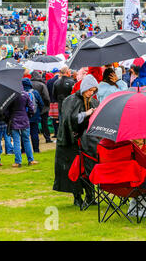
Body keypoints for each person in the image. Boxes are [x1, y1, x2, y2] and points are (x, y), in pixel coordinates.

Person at [53, 74, 100, 207]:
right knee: (74, 169)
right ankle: (77, 197)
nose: (91, 93)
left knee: (89, 168)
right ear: (84, 87)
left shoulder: (93, 101)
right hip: (70, 141)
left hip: (87, 142)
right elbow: (69, 119)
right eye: (89, 90)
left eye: (93, 91)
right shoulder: (71, 100)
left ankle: (91, 196)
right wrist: (86, 113)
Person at [4, 85, 39, 167]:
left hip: (14, 119)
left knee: (16, 141)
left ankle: (18, 162)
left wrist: (8, 118)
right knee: (26, 140)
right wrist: (29, 116)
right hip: (24, 119)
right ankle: (31, 160)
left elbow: (6, 111)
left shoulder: (11, 96)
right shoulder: (26, 95)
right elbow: (31, 108)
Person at [22, 78, 44, 153]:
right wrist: (38, 112)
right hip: (34, 116)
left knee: (24, 134)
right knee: (34, 133)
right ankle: (36, 149)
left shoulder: (20, 93)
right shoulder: (35, 92)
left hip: (23, 116)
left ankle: (24, 150)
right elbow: (41, 104)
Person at [30, 71, 52, 143]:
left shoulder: (30, 84)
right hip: (43, 106)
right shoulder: (42, 84)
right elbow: (46, 96)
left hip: (32, 106)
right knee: (44, 123)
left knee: (34, 123)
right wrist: (47, 104)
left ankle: (34, 139)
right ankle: (47, 138)